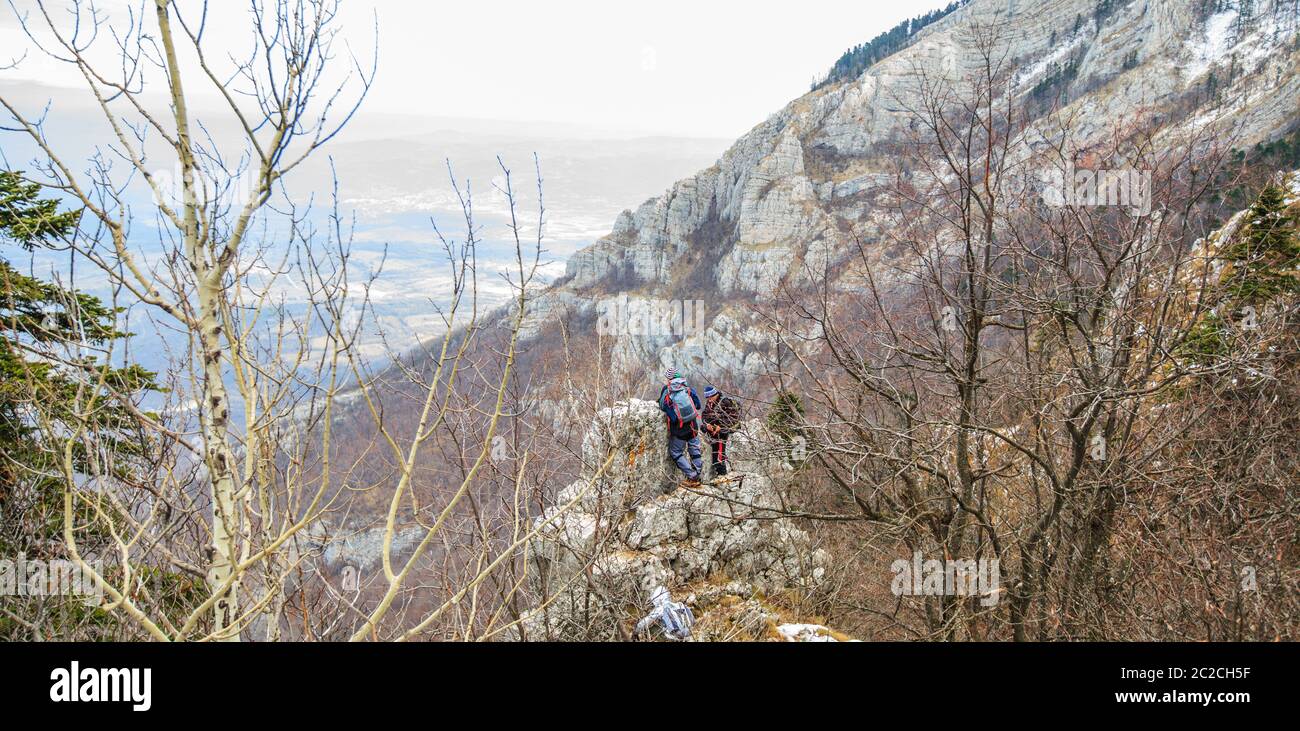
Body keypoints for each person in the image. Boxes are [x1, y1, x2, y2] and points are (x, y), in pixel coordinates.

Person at [658, 370, 704, 488]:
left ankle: (692, 476)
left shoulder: (667, 390)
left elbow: (663, 406)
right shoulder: (687, 388)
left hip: (679, 428)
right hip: (693, 425)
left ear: (669, 379)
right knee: (694, 449)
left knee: (676, 452)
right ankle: (698, 474)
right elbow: (698, 405)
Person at [701, 385, 741, 478]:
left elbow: (733, 418)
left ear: (715, 394)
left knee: (719, 449)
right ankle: (718, 470)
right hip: (715, 429)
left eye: (710, 397)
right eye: (707, 398)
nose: (709, 399)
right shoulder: (710, 403)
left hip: (725, 429)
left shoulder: (725, 402)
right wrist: (707, 424)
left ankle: (722, 473)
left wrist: (720, 426)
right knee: (703, 428)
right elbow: (704, 416)